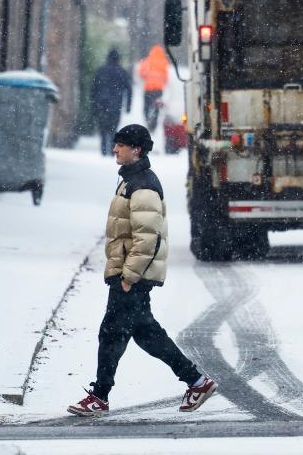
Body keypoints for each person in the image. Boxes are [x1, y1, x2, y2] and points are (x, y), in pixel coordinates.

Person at [68, 125, 217, 417]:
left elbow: (146, 238)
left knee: (112, 333)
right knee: (146, 334)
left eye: (121, 145)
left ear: (136, 150)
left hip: (131, 277)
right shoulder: (132, 180)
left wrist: (129, 276)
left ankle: (100, 396)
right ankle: (197, 381)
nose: (115, 149)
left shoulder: (143, 185)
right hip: (129, 275)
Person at [90, 49, 132, 156]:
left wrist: (93, 105)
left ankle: (104, 150)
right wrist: (128, 106)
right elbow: (129, 89)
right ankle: (112, 150)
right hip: (115, 104)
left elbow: (93, 89)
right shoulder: (122, 72)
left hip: (102, 103)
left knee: (103, 128)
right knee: (114, 128)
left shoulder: (100, 71)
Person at [137, 45, 169, 132]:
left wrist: (147, 77)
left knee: (146, 106)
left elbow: (141, 73)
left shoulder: (147, 61)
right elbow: (166, 78)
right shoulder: (164, 62)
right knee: (156, 106)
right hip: (158, 90)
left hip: (148, 88)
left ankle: (147, 118)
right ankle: (154, 123)